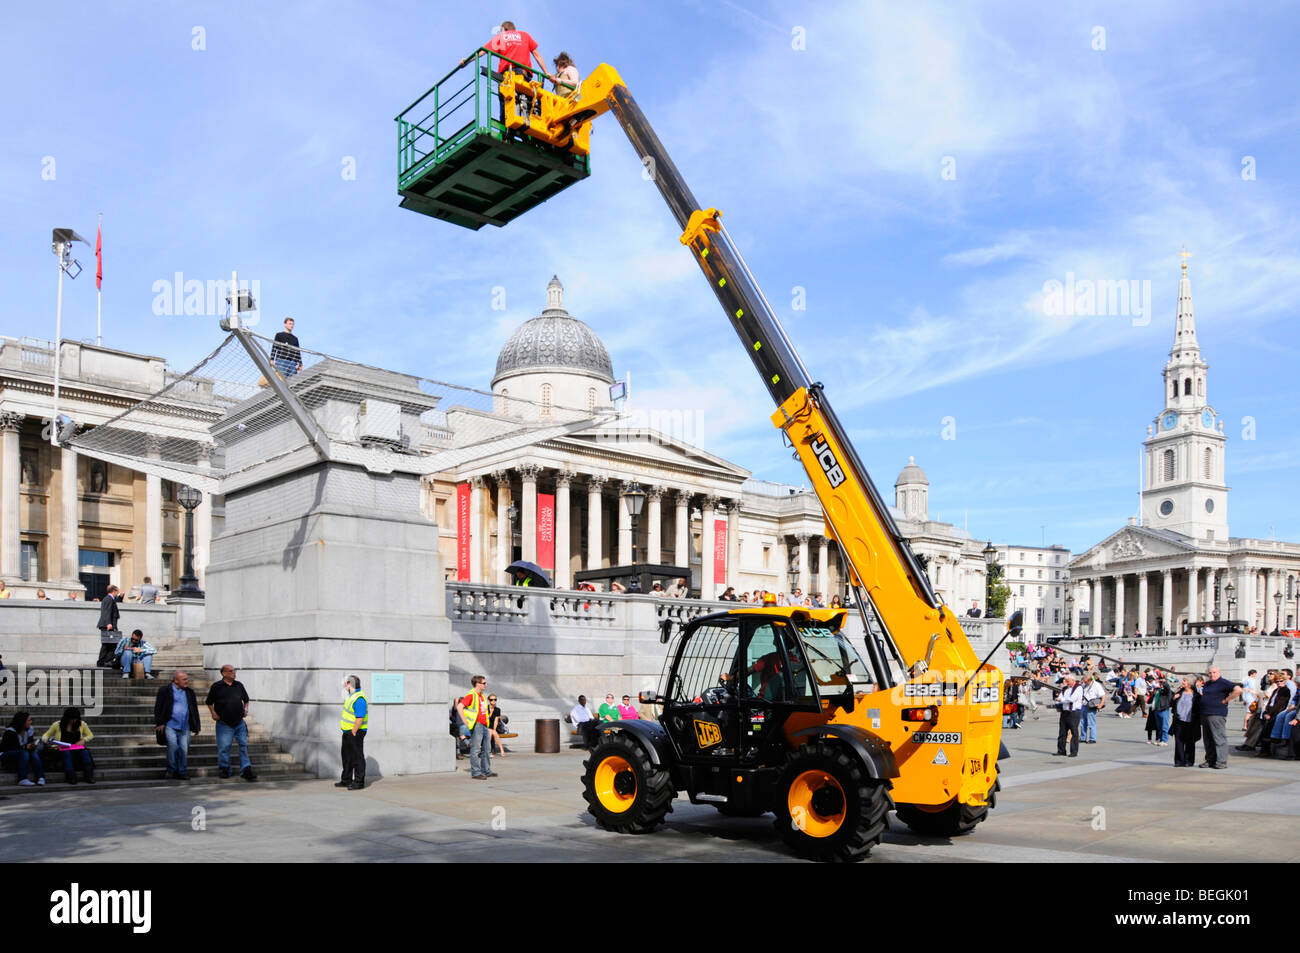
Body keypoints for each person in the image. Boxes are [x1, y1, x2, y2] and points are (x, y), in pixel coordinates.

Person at [206, 665, 257, 781]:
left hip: (239, 722)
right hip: (224, 723)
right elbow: (209, 702)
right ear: (223, 673)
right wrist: (213, 713)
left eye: (234, 671)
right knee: (224, 747)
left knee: (243, 745)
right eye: (231, 671)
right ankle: (224, 768)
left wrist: (246, 709)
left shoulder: (239, 685)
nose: (234, 673)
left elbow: (246, 699)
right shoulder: (217, 686)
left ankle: (246, 769)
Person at [154, 670, 201, 780]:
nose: (187, 681)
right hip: (170, 725)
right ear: (176, 680)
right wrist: (159, 722)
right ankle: (171, 770)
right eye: (184, 679)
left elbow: (194, 709)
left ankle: (182, 771)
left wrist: (196, 726)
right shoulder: (165, 690)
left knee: (184, 749)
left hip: (185, 726)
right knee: (173, 747)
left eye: (187, 679)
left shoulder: (189, 692)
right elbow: (158, 707)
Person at [1197, 665, 1241, 769]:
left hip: (1216, 714)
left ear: (1219, 673)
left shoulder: (1223, 682)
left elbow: (1238, 690)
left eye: (1214, 672)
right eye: (1210, 673)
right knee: (1208, 739)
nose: (1212, 674)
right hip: (1205, 714)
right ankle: (1210, 760)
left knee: (1219, 738)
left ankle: (1221, 761)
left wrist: (1226, 700)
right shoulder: (1207, 684)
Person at [42, 707, 94, 784]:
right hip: (62, 749)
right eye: (71, 719)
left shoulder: (81, 724)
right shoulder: (57, 725)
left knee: (85, 753)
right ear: (67, 718)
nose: (73, 721)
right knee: (67, 753)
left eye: (75, 719)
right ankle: (71, 776)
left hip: (76, 748)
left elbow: (90, 735)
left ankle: (89, 775)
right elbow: (46, 735)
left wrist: (83, 740)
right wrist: (45, 739)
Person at [455, 675, 494, 780]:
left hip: (484, 725)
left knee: (487, 749)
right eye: (484, 683)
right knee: (475, 749)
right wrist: (464, 721)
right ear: (478, 684)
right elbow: (459, 707)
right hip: (477, 725)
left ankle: (486, 770)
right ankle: (476, 773)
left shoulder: (481, 695)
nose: (486, 685)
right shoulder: (472, 695)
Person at [337, 675, 368, 790]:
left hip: (355, 732)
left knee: (357, 757)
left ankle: (359, 782)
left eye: (346, 683)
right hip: (347, 732)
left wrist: (354, 731)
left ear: (349, 683)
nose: (344, 685)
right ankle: (346, 779)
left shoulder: (359, 698)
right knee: (347, 757)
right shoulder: (352, 696)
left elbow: (360, 717)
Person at [1, 712, 46, 785]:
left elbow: (29, 742)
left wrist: (32, 745)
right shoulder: (10, 731)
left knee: (33, 752)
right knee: (23, 752)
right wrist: (25, 747)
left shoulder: (29, 729)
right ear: (22, 722)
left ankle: (41, 777)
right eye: (28, 720)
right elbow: (10, 748)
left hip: (23, 753)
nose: (30, 722)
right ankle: (22, 778)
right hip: (6, 754)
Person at [1171, 677, 1202, 766]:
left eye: (1185, 680)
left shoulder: (1196, 695)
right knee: (1179, 741)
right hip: (1179, 721)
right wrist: (1174, 698)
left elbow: (1199, 708)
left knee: (1190, 742)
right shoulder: (1179, 693)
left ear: (1190, 683)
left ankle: (1189, 761)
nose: (1182, 682)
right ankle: (1179, 761)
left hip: (1191, 721)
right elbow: (1170, 704)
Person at [1054, 674, 1084, 757]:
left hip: (1073, 712)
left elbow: (1072, 699)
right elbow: (1060, 697)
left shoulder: (1078, 688)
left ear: (1073, 680)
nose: (1066, 683)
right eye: (1066, 681)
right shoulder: (1065, 689)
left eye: (1068, 681)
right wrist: (1060, 699)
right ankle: (1061, 750)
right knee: (1062, 732)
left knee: (1074, 732)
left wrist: (1061, 699)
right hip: (1065, 711)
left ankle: (1074, 751)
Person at [95, 585, 122, 667]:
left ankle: (106, 660)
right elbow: (107, 612)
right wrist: (109, 623)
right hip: (108, 625)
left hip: (109, 624)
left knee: (111, 644)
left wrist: (121, 597)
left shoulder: (110, 599)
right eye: (117, 592)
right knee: (107, 644)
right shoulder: (109, 599)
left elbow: (116, 602)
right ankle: (103, 661)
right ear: (113, 591)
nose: (117, 593)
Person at [1080, 673, 1105, 743]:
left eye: (1085, 681)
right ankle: (1083, 738)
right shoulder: (1084, 685)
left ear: (1089, 680)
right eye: (1084, 681)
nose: (1084, 682)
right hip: (1083, 705)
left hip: (1091, 706)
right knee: (1082, 722)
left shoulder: (1096, 685)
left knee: (1091, 723)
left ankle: (1092, 738)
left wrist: (1101, 704)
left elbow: (1103, 695)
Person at [1147, 676, 1172, 746]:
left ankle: (1164, 740)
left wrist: (1164, 682)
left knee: (1164, 726)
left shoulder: (1165, 691)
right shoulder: (1157, 692)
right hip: (1157, 710)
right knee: (1159, 726)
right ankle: (1160, 739)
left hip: (1163, 709)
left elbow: (1168, 688)